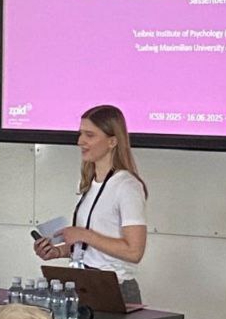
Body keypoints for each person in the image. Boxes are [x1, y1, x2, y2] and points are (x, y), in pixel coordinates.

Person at [33, 105, 148, 304]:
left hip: (116, 287)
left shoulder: (127, 186)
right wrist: (57, 251)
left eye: (90, 135)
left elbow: (134, 252)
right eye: (80, 134)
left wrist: (84, 234)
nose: (80, 141)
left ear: (112, 141)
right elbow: (89, 248)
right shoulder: (87, 183)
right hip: (84, 284)